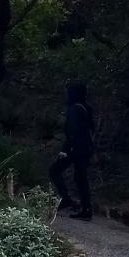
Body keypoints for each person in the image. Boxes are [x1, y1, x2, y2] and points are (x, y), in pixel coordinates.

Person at [48, 83, 95, 221]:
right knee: (81, 178)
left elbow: (72, 132)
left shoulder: (74, 109)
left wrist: (65, 150)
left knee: (55, 170)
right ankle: (86, 208)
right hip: (85, 148)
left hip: (76, 148)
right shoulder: (86, 107)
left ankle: (67, 199)